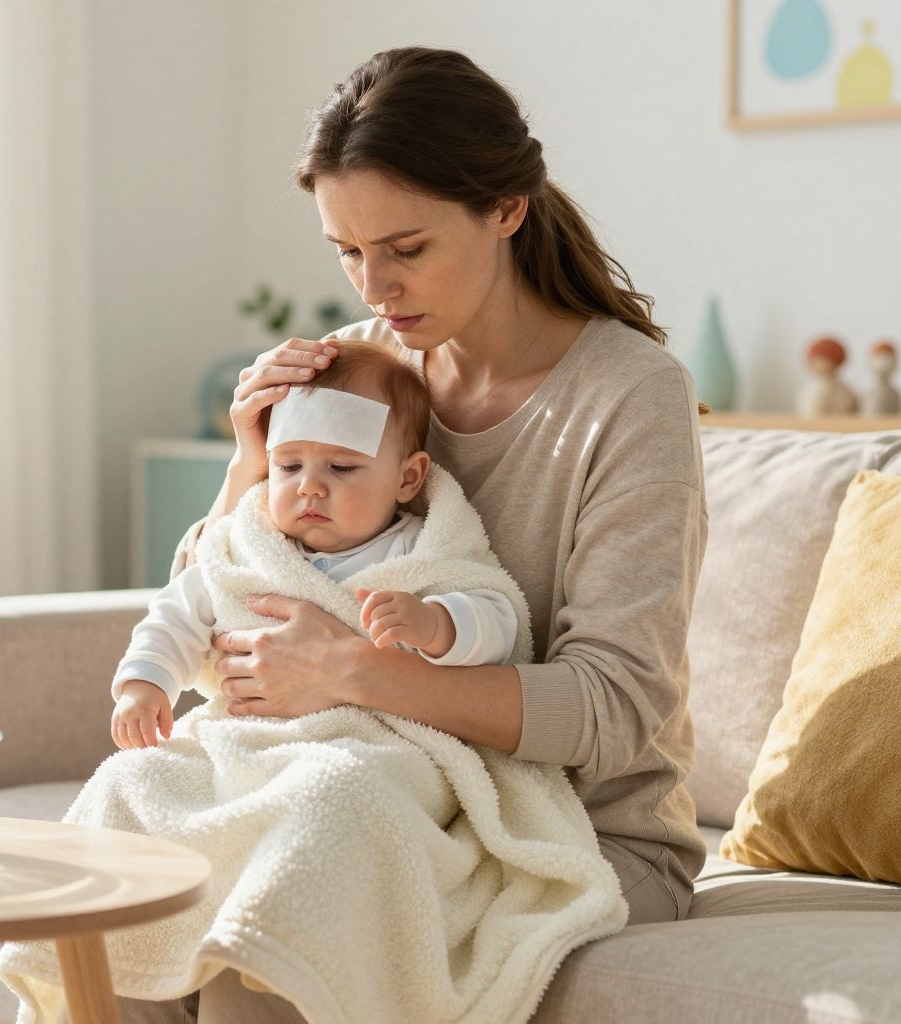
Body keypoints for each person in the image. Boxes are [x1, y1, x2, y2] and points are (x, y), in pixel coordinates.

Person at [124, 46, 708, 1022]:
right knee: (136, 906)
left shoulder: (628, 397)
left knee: (280, 914)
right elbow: (224, 600)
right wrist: (247, 466)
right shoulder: (358, 375)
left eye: (405, 247)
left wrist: (356, 672)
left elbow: (612, 709)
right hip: (354, 779)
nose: (374, 288)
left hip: (576, 830)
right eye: (347, 251)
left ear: (505, 209)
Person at [110, 342, 520, 751]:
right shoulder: (250, 549)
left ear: (408, 478)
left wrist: (437, 624)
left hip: (372, 743)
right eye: (289, 466)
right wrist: (144, 684)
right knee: (138, 775)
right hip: (250, 733)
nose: (309, 486)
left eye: (341, 467)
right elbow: (175, 614)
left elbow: (499, 623)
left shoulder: (419, 550)